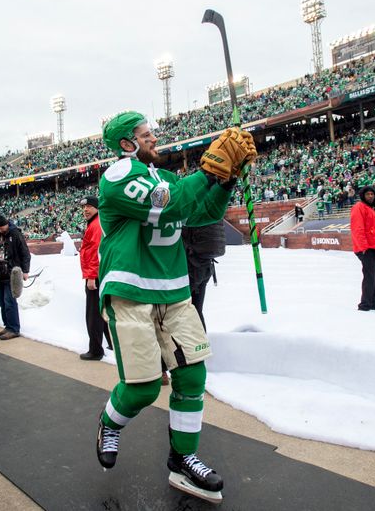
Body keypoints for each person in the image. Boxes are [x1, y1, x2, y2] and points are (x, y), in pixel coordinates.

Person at [94, 111, 255, 502]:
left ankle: (184, 457)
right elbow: (168, 206)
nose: (155, 140)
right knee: (145, 388)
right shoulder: (117, 177)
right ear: (127, 144)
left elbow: (203, 212)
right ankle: (108, 423)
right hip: (131, 290)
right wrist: (208, 170)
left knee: (193, 376)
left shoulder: (165, 179)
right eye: (147, 135)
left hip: (174, 291)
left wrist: (225, 179)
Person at [78, 196, 111, 360]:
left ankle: (96, 350)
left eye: (89, 206)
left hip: (95, 276)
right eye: (84, 207)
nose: (85, 210)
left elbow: (95, 253)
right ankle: (110, 344)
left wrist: (91, 276)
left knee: (93, 315)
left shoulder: (96, 225)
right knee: (101, 312)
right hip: (98, 275)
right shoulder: (96, 222)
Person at [0, 214, 31, 341]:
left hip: (13, 272)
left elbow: (25, 253)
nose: (0, 230)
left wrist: (25, 271)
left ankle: (14, 328)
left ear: (7, 224)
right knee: (2, 301)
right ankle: (8, 325)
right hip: (1, 272)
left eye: (2, 227)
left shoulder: (15, 234)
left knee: (9, 301)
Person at [350, 186, 375, 312]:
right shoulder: (359, 207)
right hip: (367, 249)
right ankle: (365, 305)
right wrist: (363, 248)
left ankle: (373, 304)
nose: (370, 196)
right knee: (370, 278)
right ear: (363, 196)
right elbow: (357, 228)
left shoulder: (372, 209)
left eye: (372, 194)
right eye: (368, 194)